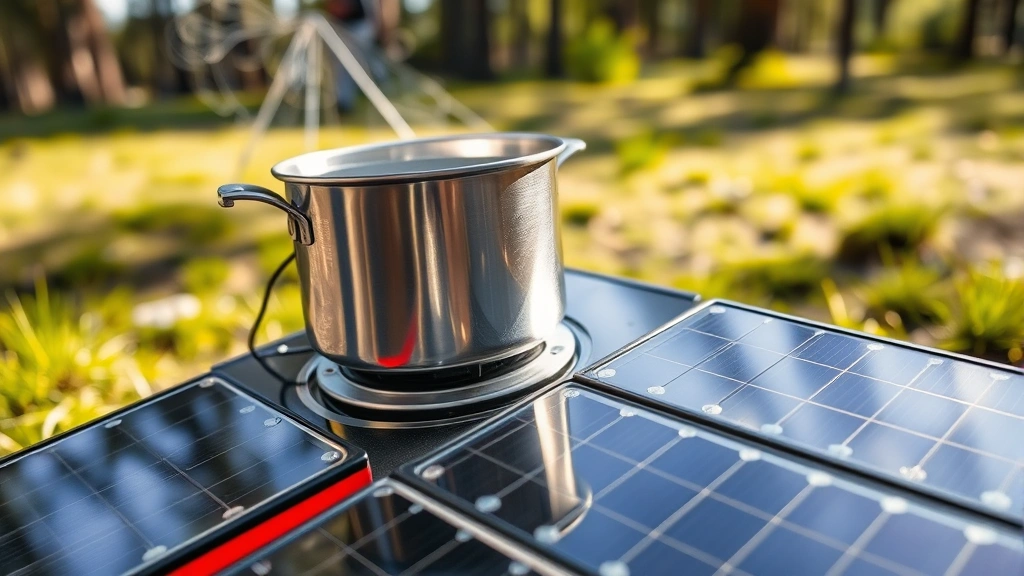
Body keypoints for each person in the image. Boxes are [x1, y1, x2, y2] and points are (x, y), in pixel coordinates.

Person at [324, 0, 378, 112]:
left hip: (360, 27)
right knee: (342, 68)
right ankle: (344, 103)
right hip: (340, 26)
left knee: (360, 65)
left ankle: (376, 90)